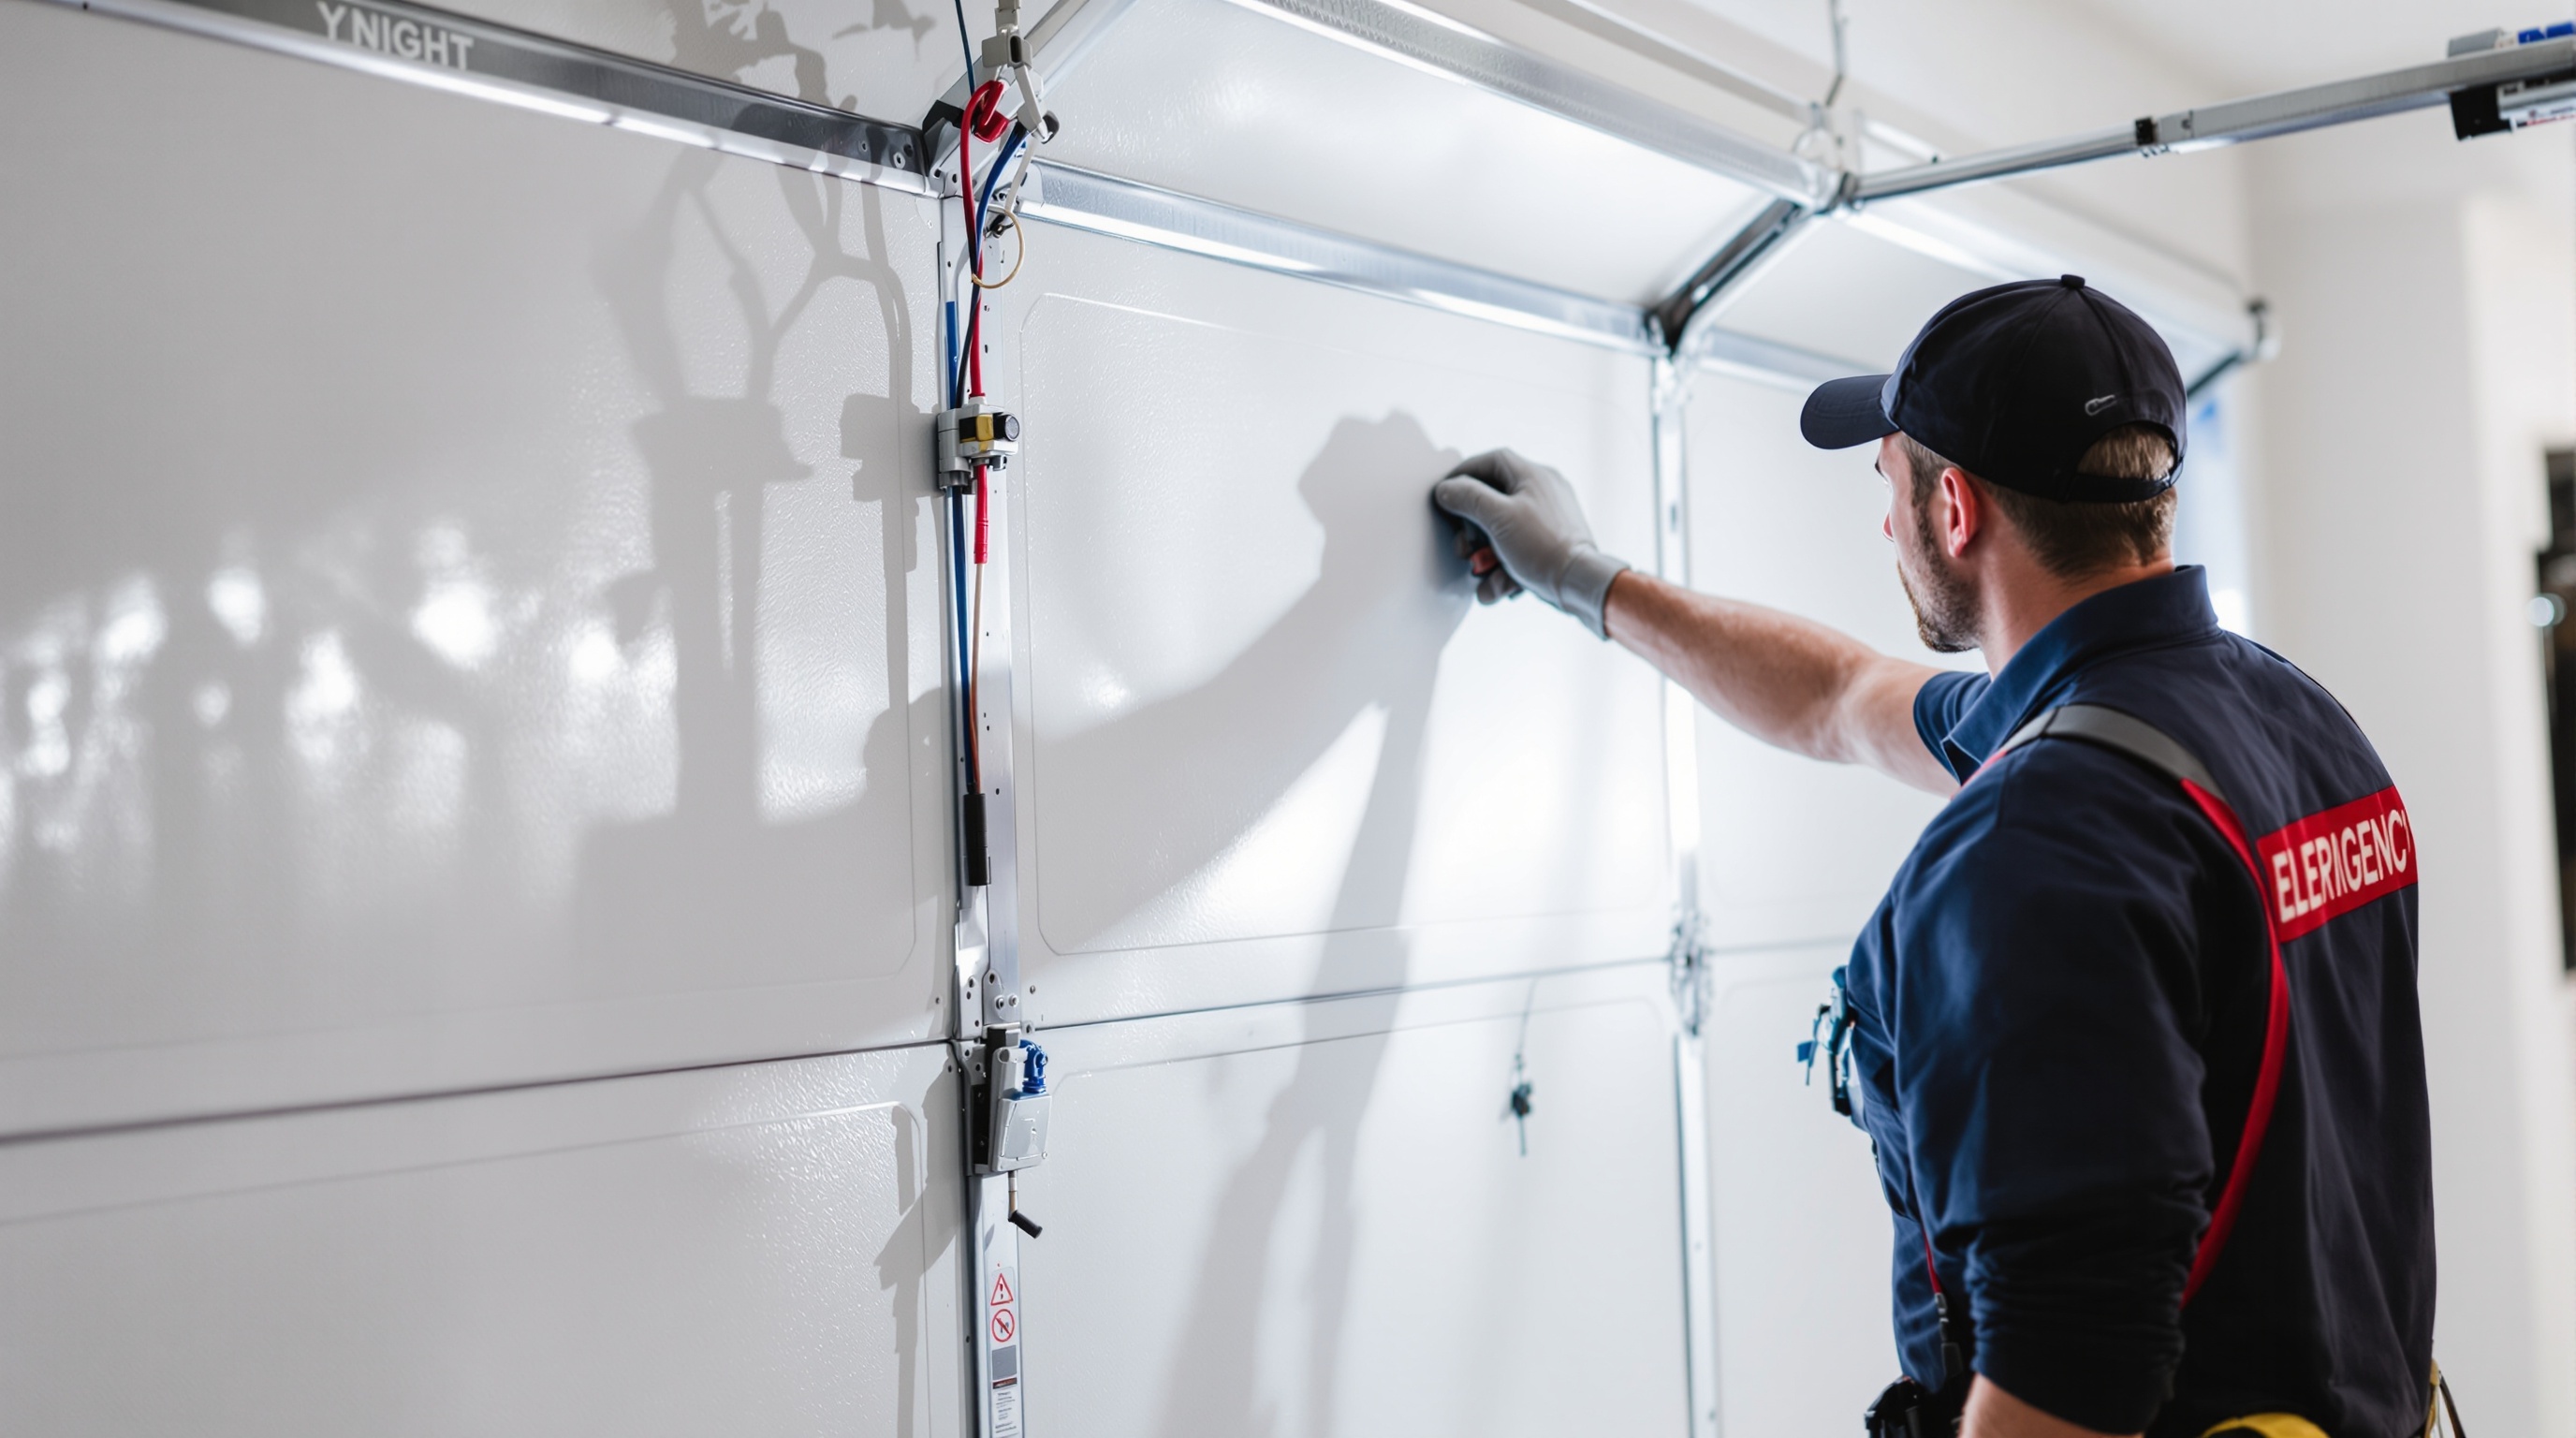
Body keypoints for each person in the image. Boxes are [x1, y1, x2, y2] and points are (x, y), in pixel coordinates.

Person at [1431, 276, 2435, 1438]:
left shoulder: (2037, 840)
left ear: (1953, 509)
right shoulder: (2285, 721)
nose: (1883, 521)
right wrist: (1587, 579)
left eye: (1888, 482)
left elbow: (2067, 1379)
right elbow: (1844, 696)